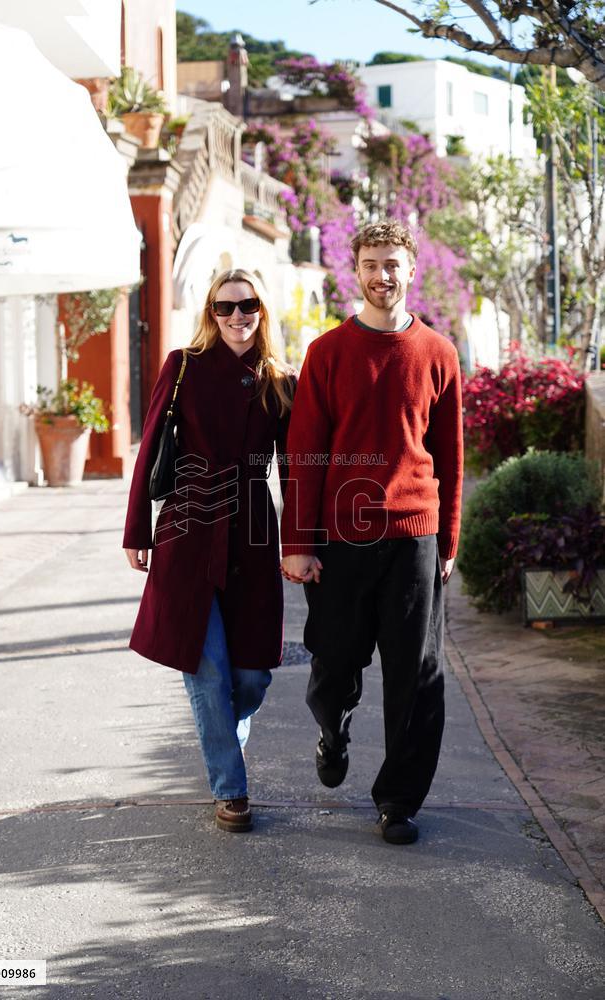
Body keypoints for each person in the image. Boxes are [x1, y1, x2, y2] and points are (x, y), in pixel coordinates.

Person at [280, 221, 463, 845]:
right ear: (354, 271)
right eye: (371, 264)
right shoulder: (327, 353)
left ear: (411, 270)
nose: (382, 274)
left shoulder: (438, 353)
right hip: (342, 538)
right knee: (334, 663)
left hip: (414, 535)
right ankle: (333, 730)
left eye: (392, 264)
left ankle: (398, 802)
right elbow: (304, 454)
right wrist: (298, 544)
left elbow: (450, 456)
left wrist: (448, 541)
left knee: (417, 674)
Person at [123, 269, 295, 833]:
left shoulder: (280, 381)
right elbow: (150, 448)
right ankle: (230, 789)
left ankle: (225, 736)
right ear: (211, 313)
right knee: (208, 670)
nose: (237, 317)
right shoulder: (182, 367)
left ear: (262, 311)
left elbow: (294, 470)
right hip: (188, 531)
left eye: (248, 305)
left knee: (252, 676)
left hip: (253, 531)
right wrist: (136, 530)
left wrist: (301, 542)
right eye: (225, 307)